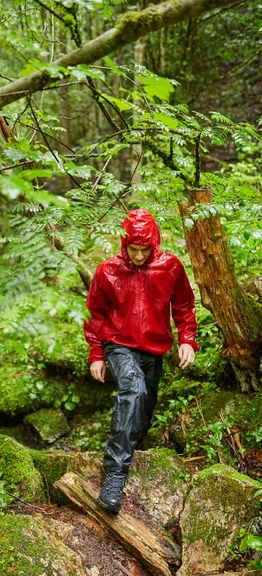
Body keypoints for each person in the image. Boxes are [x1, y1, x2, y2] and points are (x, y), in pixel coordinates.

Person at [84, 209, 198, 513]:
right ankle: (114, 476)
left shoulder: (170, 266)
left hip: (153, 347)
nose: (137, 255)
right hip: (118, 342)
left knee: (144, 409)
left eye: (143, 249)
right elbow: (96, 313)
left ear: (154, 243)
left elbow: (184, 304)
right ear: (124, 244)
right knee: (132, 390)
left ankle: (134, 445)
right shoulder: (107, 271)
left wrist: (187, 338)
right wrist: (97, 353)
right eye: (132, 249)